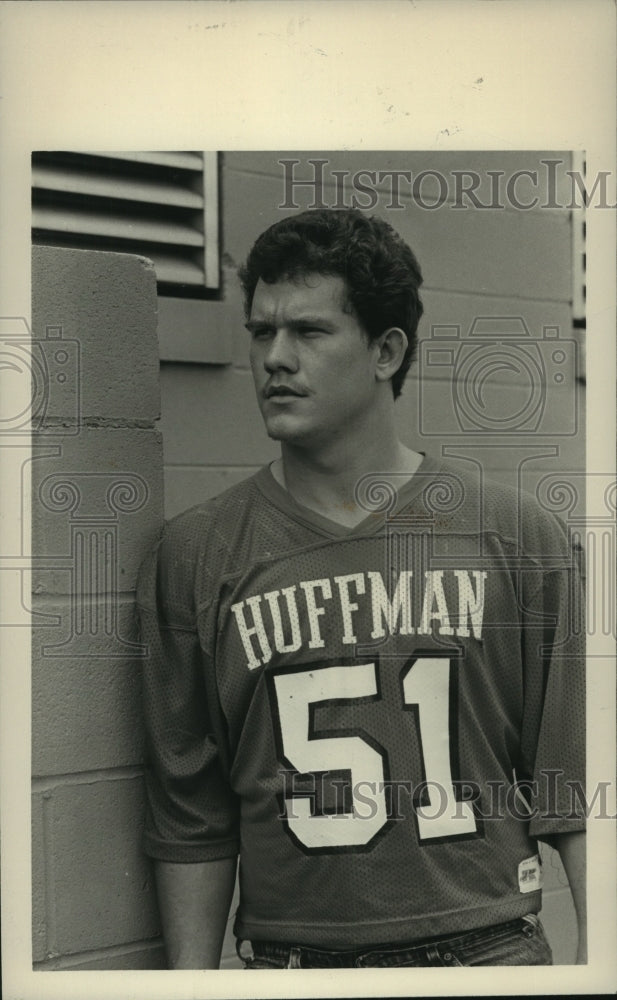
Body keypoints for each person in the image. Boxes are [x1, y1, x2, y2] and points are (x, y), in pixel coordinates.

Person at [136, 208, 586, 969]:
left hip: (487, 953)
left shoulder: (516, 538)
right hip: (294, 961)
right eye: (259, 331)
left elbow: (572, 790)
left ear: (385, 350)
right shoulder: (194, 554)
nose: (274, 358)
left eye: (308, 332)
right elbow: (192, 818)